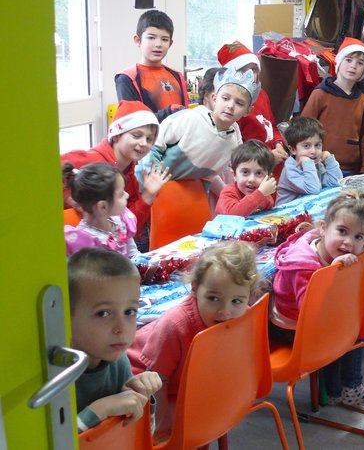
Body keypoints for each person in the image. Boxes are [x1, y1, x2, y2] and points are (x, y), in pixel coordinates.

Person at [271, 190, 364, 406]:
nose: (348, 243)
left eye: (357, 237)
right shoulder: (303, 265)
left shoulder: (342, 247)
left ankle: (336, 391)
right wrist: (331, 275)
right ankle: (350, 388)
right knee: (350, 326)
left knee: (350, 321)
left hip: (315, 317)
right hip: (291, 326)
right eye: (342, 231)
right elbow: (311, 312)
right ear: (322, 228)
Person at [128, 241, 258, 439]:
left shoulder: (243, 316)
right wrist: (161, 431)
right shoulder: (174, 325)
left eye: (237, 301)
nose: (225, 311)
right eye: (214, 298)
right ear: (195, 289)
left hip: (184, 385)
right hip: (143, 385)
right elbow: (157, 383)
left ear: (248, 297)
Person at [70, 248, 162, 432]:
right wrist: (99, 410)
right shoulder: (56, 376)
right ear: (66, 317)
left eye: (130, 311)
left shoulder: (118, 360)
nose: (121, 328)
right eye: (103, 313)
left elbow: (138, 436)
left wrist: (140, 395)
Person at [140, 67, 260, 196]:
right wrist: (153, 181)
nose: (230, 106)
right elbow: (152, 145)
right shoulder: (190, 118)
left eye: (239, 103)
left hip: (183, 198)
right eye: (225, 98)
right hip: (147, 187)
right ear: (214, 98)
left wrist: (229, 196)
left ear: (248, 111)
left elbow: (209, 177)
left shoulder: (232, 143)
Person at [61, 100, 171, 240]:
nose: (144, 143)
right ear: (117, 135)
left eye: (149, 139)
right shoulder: (89, 162)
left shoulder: (130, 177)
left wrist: (148, 195)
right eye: (136, 135)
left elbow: (128, 231)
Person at [300, 37, 364, 176]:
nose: (353, 66)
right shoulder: (320, 94)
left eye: (360, 63)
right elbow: (304, 129)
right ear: (338, 62)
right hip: (319, 166)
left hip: (350, 170)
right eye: (348, 60)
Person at [217, 42, 288, 166]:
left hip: (273, 165)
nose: (250, 74)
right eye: (243, 69)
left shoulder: (262, 94)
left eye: (254, 69)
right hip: (253, 168)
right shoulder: (230, 106)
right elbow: (236, 149)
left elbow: (272, 125)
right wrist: (268, 156)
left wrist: (279, 143)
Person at [115, 10, 189, 122]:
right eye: (151, 38)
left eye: (164, 39)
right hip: (150, 139)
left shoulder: (177, 75)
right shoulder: (127, 79)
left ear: (170, 43)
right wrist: (168, 111)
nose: (158, 44)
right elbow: (131, 123)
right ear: (138, 40)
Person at [63, 162, 140, 258]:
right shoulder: (85, 242)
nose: (127, 195)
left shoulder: (119, 221)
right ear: (103, 206)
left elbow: (133, 254)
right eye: (121, 194)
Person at [276, 117, 343, 206]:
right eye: (306, 146)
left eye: (317, 145)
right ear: (293, 149)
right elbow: (313, 189)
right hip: (285, 215)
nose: (313, 151)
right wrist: (308, 164)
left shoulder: (316, 164)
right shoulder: (291, 169)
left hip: (307, 209)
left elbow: (336, 183)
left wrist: (329, 159)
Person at [215, 139, 277, 216]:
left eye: (258, 173)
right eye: (245, 172)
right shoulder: (228, 192)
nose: (251, 179)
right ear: (234, 174)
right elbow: (233, 215)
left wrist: (263, 194)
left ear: (268, 178)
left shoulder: (261, 191)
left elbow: (269, 207)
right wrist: (260, 194)